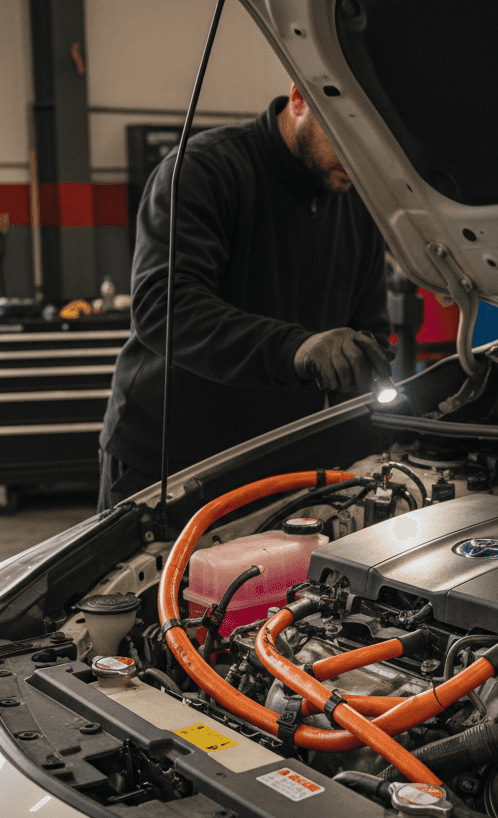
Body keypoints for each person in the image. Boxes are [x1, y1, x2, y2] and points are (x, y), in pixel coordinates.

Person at [97, 84, 391, 510]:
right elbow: (164, 307)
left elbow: (369, 327)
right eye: (349, 138)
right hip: (168, 468)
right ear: (299, 99)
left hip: (279, 468)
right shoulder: (204, 169)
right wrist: (297, 348)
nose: (360, 163)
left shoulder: (355, 201)